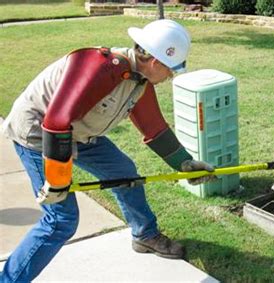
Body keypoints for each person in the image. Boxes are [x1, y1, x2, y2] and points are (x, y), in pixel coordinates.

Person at [0, 19, 215, 282]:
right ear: (157, 62)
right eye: (172, 70)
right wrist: (57, 179)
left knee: (124, 173)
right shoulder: (99, 67)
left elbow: (153, 127)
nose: (171, 76)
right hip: (38, 134)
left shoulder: (139, 80)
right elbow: (56, 123)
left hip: (79, 133)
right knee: (61, 220)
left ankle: (144, 235)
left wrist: (184, 164)